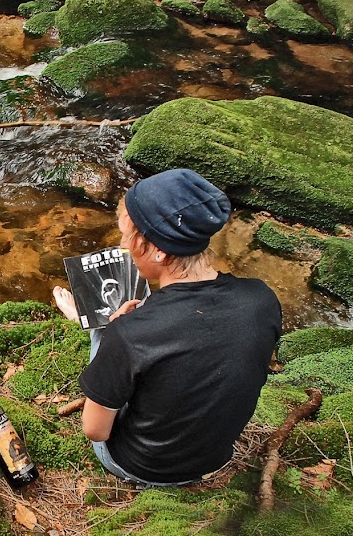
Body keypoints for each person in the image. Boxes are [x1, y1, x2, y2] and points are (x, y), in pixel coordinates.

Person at [53, 169, 282, 487]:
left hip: (143, 465)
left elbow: (95, 431)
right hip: (214, 456)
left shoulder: (131, 333)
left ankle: (88, 322)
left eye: (127, 238)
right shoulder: (261, 298)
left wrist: (109, 334)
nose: (122, 246)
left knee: (107, 333)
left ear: (157, 251)